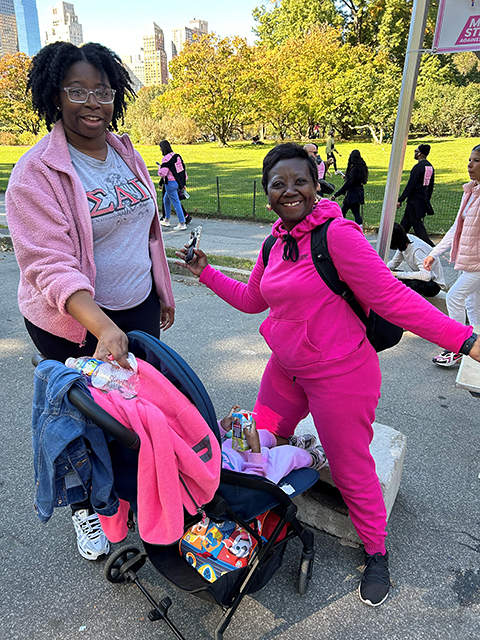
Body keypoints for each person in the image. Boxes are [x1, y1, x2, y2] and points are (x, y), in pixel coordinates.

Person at [177, 142, 480, 608]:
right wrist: (206, 272)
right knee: (253, 442)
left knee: (351, 467)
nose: (290, 190)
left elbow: (393, 298)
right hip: (286, 369)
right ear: (267, 193)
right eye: (278, 183)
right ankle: (262, 519)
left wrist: (466, 340)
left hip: (342, 376)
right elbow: (253, 300)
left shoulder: (337, 236)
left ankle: (376, 551)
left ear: (316, 185)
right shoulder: (273, 242)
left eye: (300, 181)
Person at [6, 41, 175, 561]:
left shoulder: (126, 152)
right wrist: (102, 327)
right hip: (74, 321)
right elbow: (47, 264)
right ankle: (85, 506)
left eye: (101, 90)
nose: (92, 103)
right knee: (82, 420)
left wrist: (160, 291)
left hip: (136, 309)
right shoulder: (37, 173)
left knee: (133, 410)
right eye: (76, 91)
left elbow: (146, 230)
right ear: (55, 96)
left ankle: (125, 492)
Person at [424, 144, 480, 367]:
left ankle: (457, 347)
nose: (470, 165)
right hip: (469, 261)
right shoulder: (471, 191)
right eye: (469, 159)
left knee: (455, 297)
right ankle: (474, 348)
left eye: (476, 160)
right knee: (472, 305)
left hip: (477, 264)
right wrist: (434, 253)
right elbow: (456, 227)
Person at [219, 406, 326, 482]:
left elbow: (209, 437)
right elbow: (252, 482)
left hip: (230, 450)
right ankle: (313, 459)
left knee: (264, 435)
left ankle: (291, 443)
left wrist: (222, 426)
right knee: (288, 454)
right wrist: (255, 448)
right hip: (255, 469)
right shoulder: (215, 480)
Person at [387, 222, 446, 297]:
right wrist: (384, 270)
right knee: (392, 276)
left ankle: (407, 301)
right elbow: (395, 262)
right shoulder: (405, 241)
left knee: (412, 284)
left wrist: (396, 274)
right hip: (422, 278)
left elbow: (426, 276)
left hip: (433, 284)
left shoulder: (417, 251)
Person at [397, 144, 435, 247]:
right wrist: (427, 199)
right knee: (405, 222)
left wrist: (401, 199)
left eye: (416, 151)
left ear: (420, 153)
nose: (414, 153)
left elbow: (411, 185)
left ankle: (429, 245)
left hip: (414, 200)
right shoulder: (429, 167)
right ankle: (397, 241)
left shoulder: (418, 167)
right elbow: (430, 185)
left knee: (417, 225)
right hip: (422, 199)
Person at [332, 150, 368, 228]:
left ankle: (342, 227)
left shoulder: (354, 169)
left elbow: (349, 184)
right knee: (352, 212)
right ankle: (358, 228)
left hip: (352, 194)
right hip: (359, 192)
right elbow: (358, 180)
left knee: (346, 212)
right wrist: (348, 177)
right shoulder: (362, 167)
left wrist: (336, 194)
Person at [158, 139, 188, 231]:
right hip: (177, 182)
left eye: (160, 149)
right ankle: (166, 220)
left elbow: (163, 173)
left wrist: (159, 168)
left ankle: (182, 223)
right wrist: (183, 183)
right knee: (166, 200)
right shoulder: (177, 157)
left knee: (176, 203)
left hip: (170, 184)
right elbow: (182, 170)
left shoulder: (166, 158)